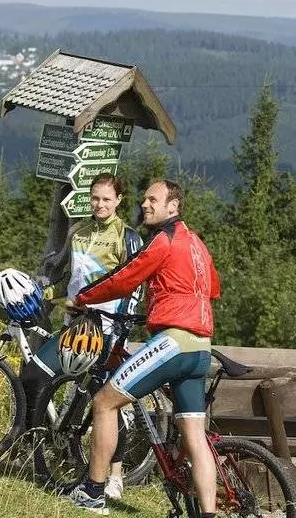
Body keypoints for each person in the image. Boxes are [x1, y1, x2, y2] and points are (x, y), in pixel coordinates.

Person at [67, 179, 221, 517]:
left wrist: (82, 297)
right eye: (144, 199)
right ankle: (208, 513)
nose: (145, 204)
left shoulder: (163, 241)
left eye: (153, 199)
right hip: (201, 346)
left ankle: (92, 491)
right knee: (195, 434)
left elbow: (125, 277)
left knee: (105, 402)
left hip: (174, 342)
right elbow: (213, 287)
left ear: (173, 207)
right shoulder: (197, 243)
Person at [19, 172, 142, 500]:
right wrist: (38, 289)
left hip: (106, 330)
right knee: (34, 374)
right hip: (74, 325)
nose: (100, 204)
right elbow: (62, 273)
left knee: (105, 401)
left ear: (119, 200)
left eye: (106, 199)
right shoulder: (78, 231)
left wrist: (121, 328)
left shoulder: (127, 237)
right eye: (95, 198)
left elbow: (134, 286)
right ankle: (37, 448)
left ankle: (114, 474)